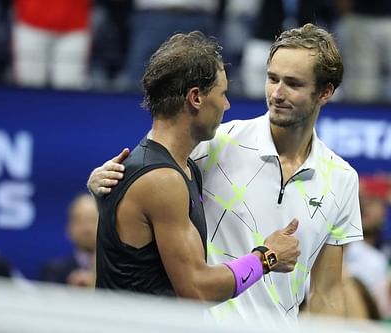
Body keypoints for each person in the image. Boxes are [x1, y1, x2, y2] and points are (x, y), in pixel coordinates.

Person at [89, 24, 362, 319]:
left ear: (325, 92)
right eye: (272, 79)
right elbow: (151, 168)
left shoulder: (342, 178)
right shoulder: (214, 143)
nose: (277, 93)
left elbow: (327, 291)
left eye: (293, 84)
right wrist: (104, 179)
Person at [93, 31, 300, 301]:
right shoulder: (162, 180)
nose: (226, 104)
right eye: (223, 93)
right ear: (195, 98)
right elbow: (196, 289)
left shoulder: (181, 168)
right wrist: (266, 258)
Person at [39, 193, 98, 287]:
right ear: (68, 228)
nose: (87, 228)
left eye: (93, 220)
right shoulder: (54, 271)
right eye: (80, 221)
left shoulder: (121, 270)